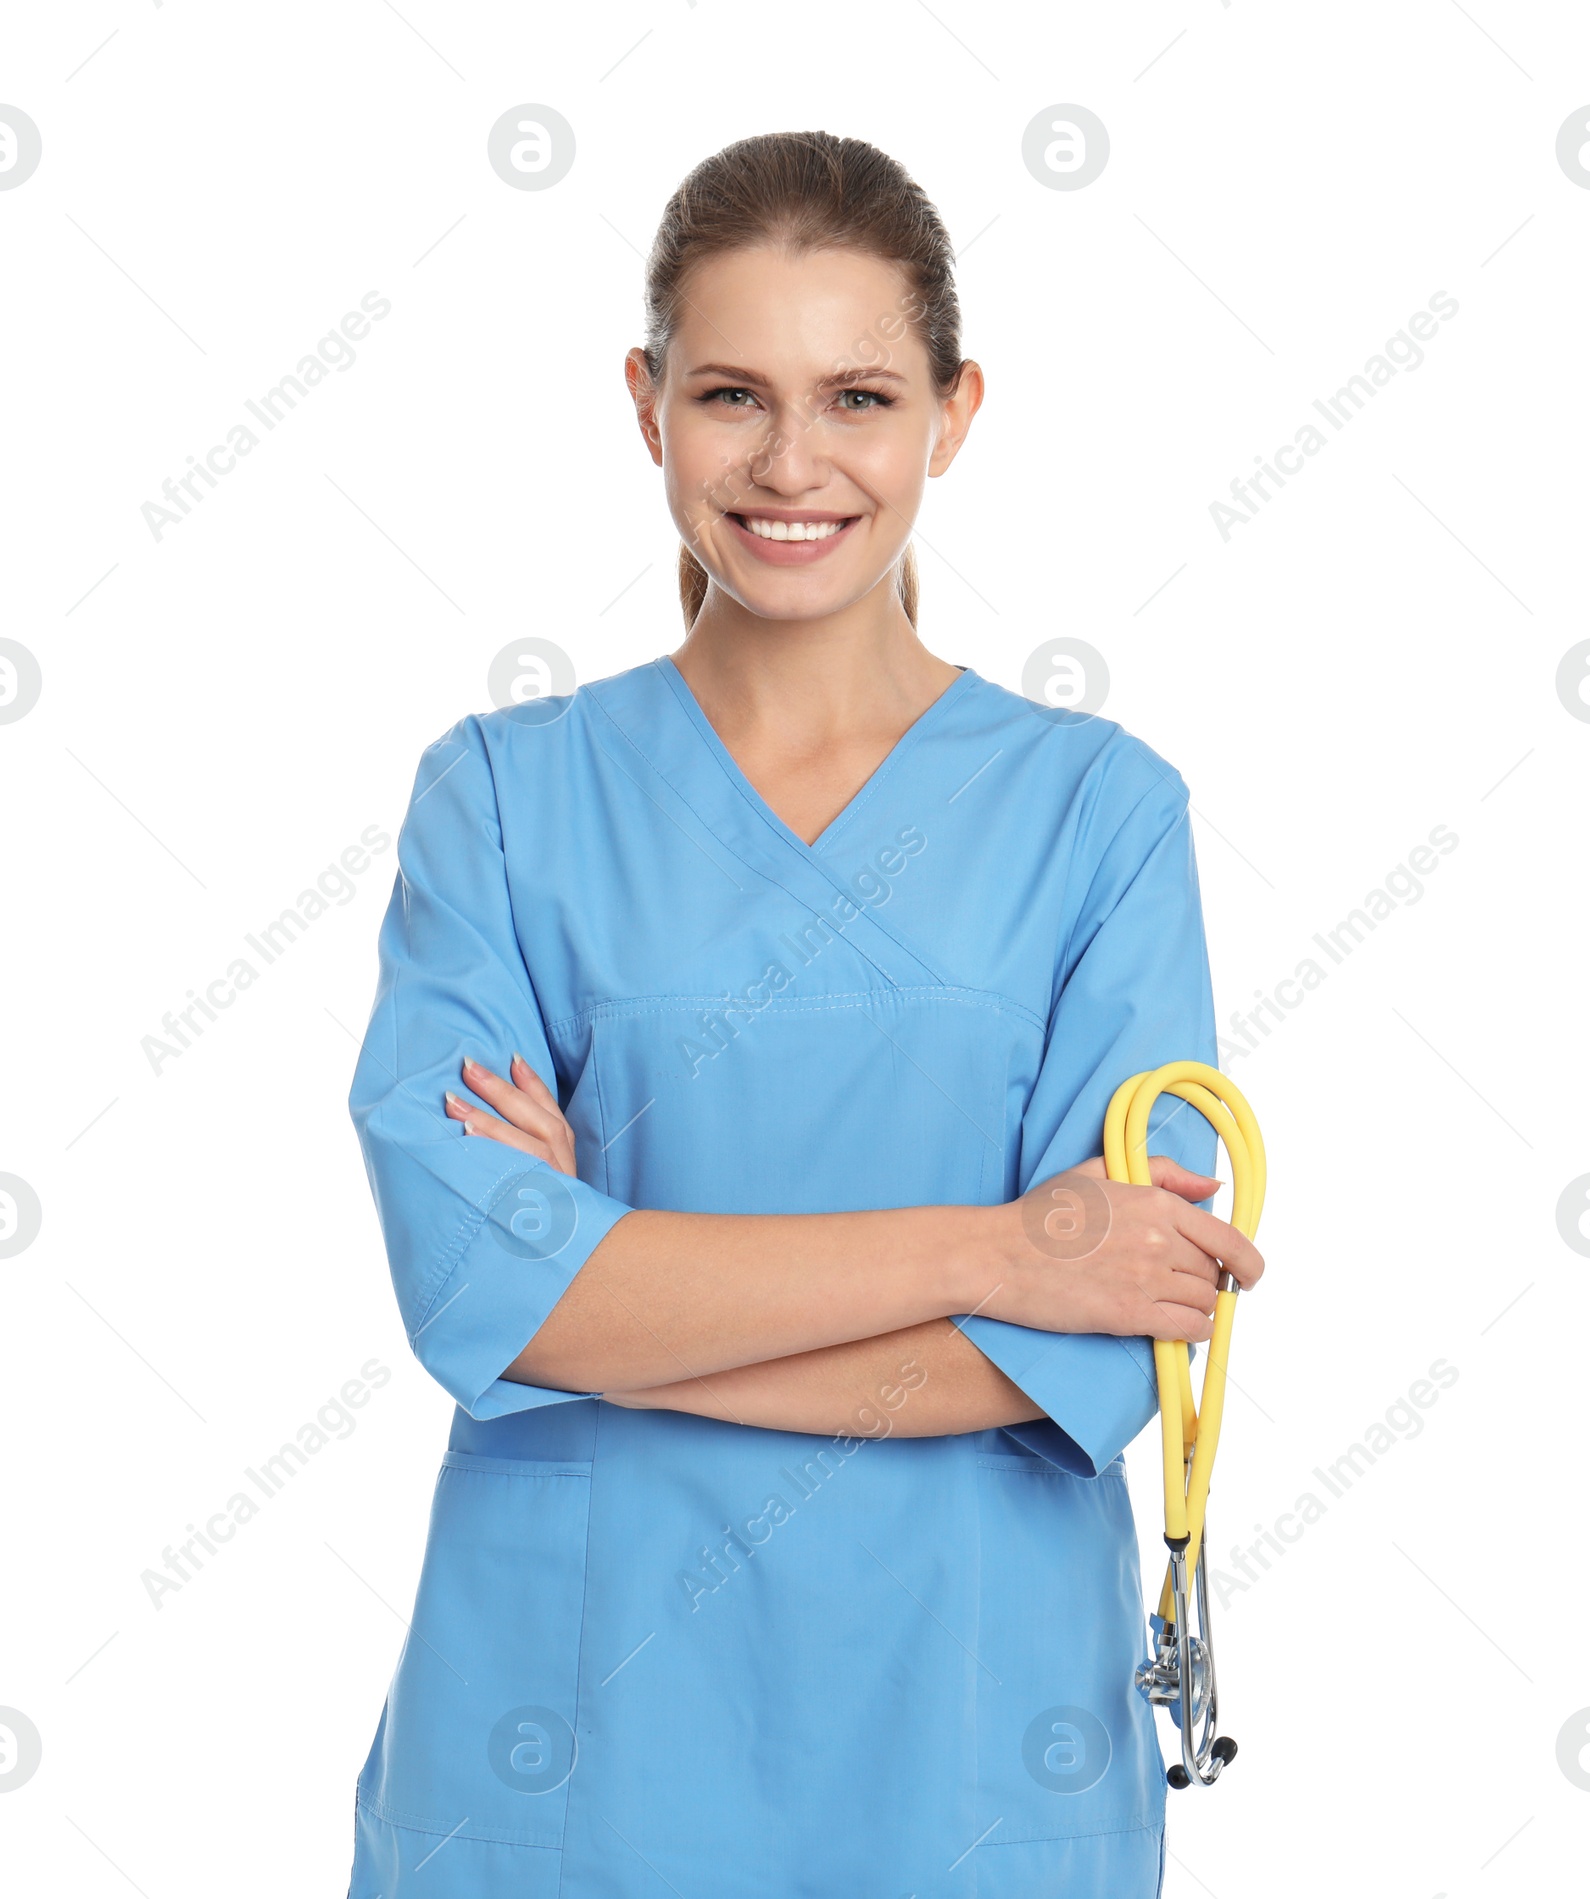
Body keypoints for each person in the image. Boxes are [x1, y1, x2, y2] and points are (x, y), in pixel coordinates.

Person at [345, 128, 1263, 1899]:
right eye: (729, 395)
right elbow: (473, 1286)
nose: (791, 464)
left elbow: (1082, 1351)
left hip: (966, 1751)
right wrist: (995, 1245)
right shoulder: (506, 799)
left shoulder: (1099, 814)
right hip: (564, 1754)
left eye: (856, 396)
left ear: (954, 411)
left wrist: (608, 1290)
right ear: (646, 404)